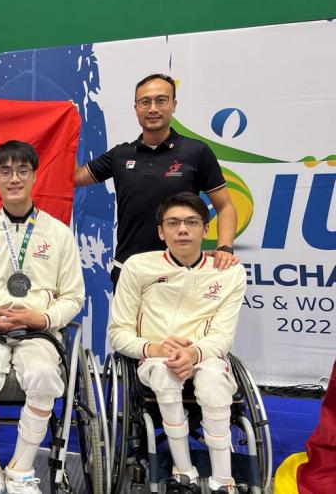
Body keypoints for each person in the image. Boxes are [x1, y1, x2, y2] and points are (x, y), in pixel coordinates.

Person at [0, 140, 84, 493]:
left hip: (39, 331)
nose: (15, 179)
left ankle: (21, 470)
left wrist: (41, 319)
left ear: (34, 176)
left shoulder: (58, 233)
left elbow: (74, 296)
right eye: (6, 172)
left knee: (43, 374)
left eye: (22, 171)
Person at [108, 192, 247, 494]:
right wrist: (155, 349)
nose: (182, 229)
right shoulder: (138, 266)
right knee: (164, 370)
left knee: (213, 379)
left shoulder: (230, 273)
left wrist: (194, 353)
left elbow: (222, 336)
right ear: (161, 231)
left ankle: (224, 480)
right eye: (173, 223)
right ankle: (183, 471)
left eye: (191, 222)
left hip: (205, 355)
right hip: (156, 356)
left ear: (205, 229)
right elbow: (119, 333)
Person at [74, 73, 239, 290]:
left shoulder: (196, 152)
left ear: (174, 105)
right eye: (145, 102)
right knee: (126, 326)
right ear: (136, 109)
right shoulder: (120, 154)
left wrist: (225, 249)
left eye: (161, 100)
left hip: (181, 273)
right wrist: (68, 127)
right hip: (129, 271)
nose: (152, 108)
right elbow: (75, 178)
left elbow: (225, 206)